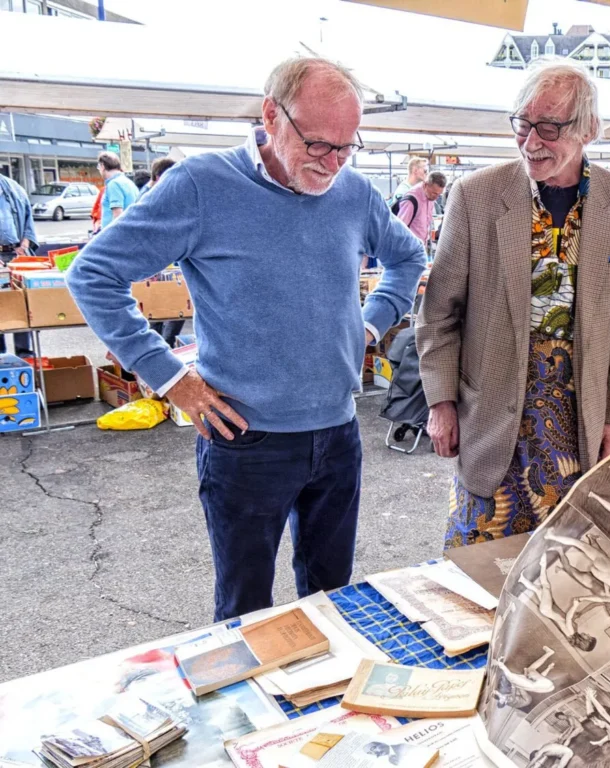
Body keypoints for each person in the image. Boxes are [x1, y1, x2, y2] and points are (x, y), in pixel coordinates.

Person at [67, 56, 426, 622]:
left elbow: (407, 256)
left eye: (345, 146)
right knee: (244, 612)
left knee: (334, 601)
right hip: (245, 438)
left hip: (337, 432)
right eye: (317, 144)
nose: (331, 163)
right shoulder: (202, 186)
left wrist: (372, 322)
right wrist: (169, 378)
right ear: (271, 115)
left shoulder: (353, 193)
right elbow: (91, 274)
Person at [417, 59, 610, 549]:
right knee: (476, 565)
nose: (530, 141)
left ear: (587, 129)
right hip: (490, 414)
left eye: (548, 127)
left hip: (574, 421)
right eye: (522, 124)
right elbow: (439, 314)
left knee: (565, 565)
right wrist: (440, 402)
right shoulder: (476, 195)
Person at [145, 158, 187, 346]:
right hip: (159, 268)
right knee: (161, 318)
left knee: (167, 316)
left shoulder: (156, 194)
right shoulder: (150, 197)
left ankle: (165, 349)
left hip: (169, 268)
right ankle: (164, 352)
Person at [0, 172, 37, 357]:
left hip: (16, 253)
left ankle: (24, 353)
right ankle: (1, 353)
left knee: (22, 302)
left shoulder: (14, 188)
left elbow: (29, 219)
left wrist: (25, 244)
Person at [396, 170, 446, 247]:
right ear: (425, 185)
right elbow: (399, 230)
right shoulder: (411, 201)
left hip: (421, 247)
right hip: (409, 250)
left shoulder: (430, 197)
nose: (436, 197)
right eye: (434, 193)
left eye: (439, 194)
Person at [96, 151, 140, 228]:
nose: (99, 170)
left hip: (114, 235)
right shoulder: (128, 182)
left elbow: (118, 216)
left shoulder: (114, 185)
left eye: (98, 167)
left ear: (102, 166)